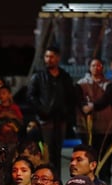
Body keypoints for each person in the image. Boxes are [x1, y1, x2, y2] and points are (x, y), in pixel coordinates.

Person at [27, 46, 76, 174]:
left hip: (60, 119)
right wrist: (42, 111)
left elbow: (71, 96)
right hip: (45, 119)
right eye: (47, 56)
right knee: (46, 151)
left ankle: (57, 179)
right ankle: (46, 177)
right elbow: (31, 96)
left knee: (57, 151)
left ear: (58, 58)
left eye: (52, 56)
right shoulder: (39, 76)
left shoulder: (65, 76)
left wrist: (66, 113)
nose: (49, 59)